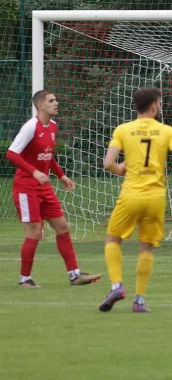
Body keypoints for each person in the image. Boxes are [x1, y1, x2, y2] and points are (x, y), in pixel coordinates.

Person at [99, 87, 172, 313]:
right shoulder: (166, 131)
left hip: (131, 194)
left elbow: (108, 163)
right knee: (146, 248)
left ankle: (117, 285)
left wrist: (121, 169)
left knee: (112, 239)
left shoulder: (123, 130)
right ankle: (139, 300)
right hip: (156, 197)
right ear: (154, 106)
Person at [6, 90, 101, 288]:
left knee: (63, 227)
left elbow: (47, 156)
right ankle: (24, 279)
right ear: (41, 105)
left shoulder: (53, 127)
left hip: (44, 187)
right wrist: (34, 172)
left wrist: (61, 175)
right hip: (26, 188)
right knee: (34, 232)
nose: (56, 103)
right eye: (51, 101)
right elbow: (12, 154)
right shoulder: (31, 127)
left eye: (56, 99)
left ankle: (75, 275)